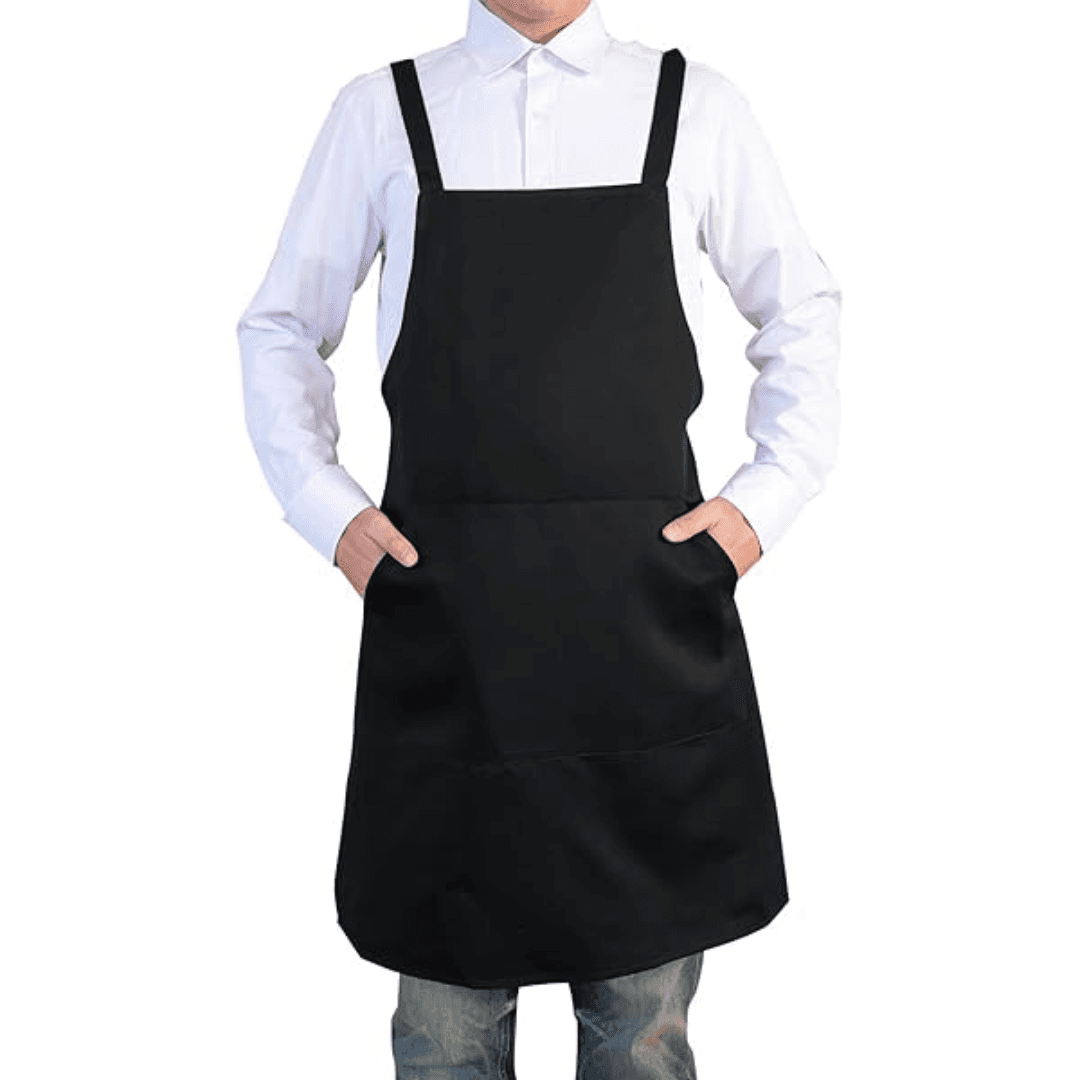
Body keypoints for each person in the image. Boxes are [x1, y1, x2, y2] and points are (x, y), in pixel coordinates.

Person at [237, 0, 841, 1075]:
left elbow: (801, 313)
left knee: (640, 1037)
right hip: (452, 648)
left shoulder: (693, 107)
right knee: (445, 1039)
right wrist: (332, 516)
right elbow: (279, 328)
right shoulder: (384, 113)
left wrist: (761, 506)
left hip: (640, 644)